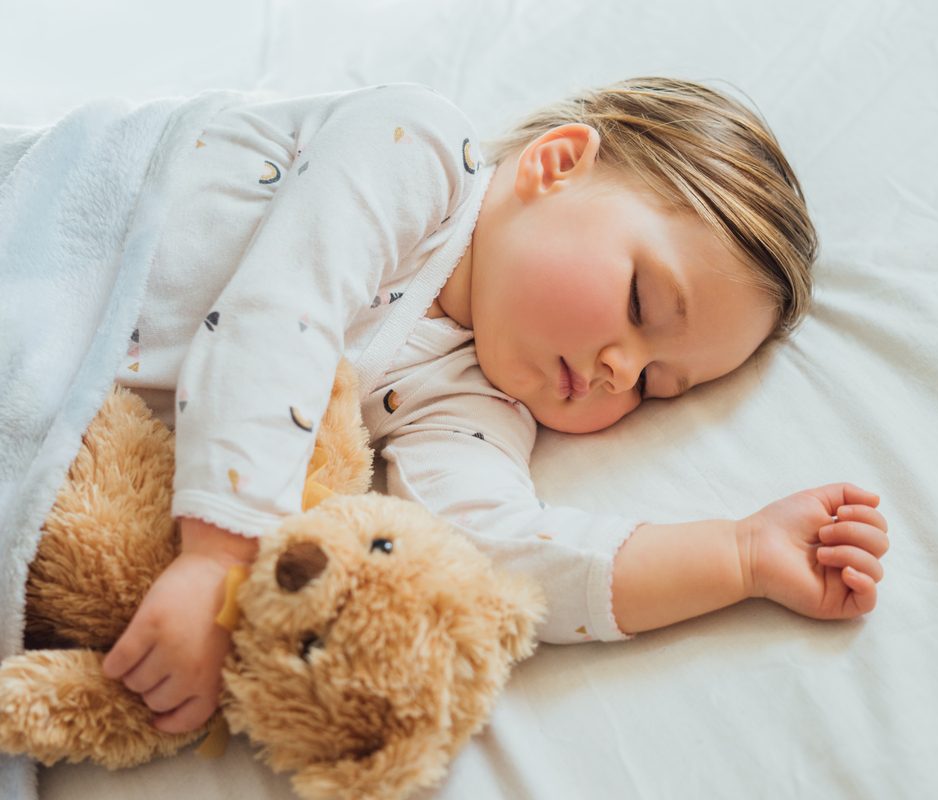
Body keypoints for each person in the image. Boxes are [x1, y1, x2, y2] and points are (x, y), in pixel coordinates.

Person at [101, 78, 889, 734]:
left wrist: (740, 556)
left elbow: (500, 548)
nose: (622, 371)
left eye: (656, 386)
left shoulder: (473, 400)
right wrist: (219, 556)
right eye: (642, 304)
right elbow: (283, 309)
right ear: (556, 165)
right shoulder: (422, 152)